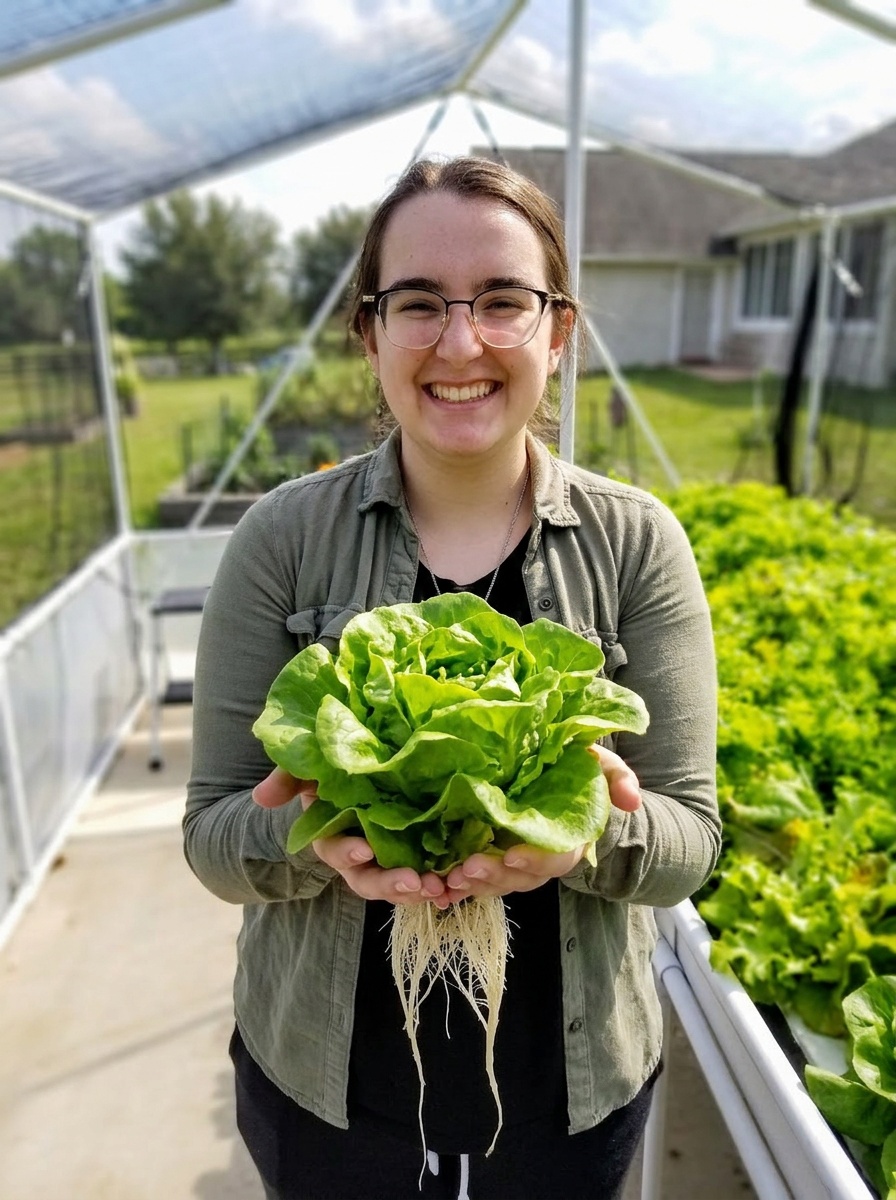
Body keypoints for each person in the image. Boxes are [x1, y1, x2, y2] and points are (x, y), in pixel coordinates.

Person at [184, 155, 720, 1200]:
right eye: (419, 302)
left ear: (556, 331)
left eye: (503, 302)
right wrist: (324, 841)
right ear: (369, 330)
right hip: (324, 1097)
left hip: (566, 1104)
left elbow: (687, 841)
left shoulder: (634, 545)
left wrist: (576, 838)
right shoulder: (282, 542)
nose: (460, 341)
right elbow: (213, 835)